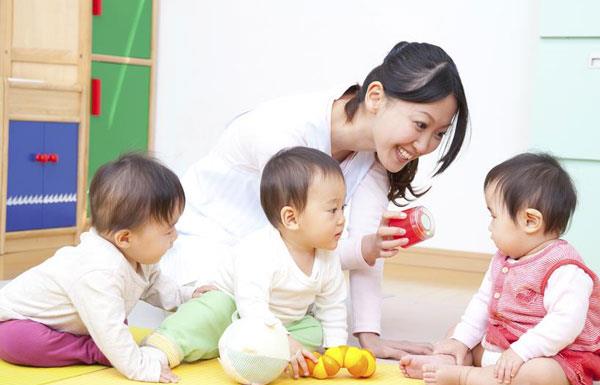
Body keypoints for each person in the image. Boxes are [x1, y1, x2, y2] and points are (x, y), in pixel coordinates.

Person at [161, 41, 469, 359]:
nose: (423, 145)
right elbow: (295, 243)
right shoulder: (283, 132)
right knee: (229, 322)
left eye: (438, 133)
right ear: (376, 97)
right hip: (205, 247)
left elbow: (364, 249)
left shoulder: (375, 158)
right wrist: (364, 249)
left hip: (271, 265)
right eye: (420, 124)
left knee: (308, 332)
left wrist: (369, 335)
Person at [144, 147, 347, 379]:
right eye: (332, 210)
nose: (342, 219)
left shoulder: (328, 258)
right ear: (291, 218)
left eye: (343, 207)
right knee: (207, 313)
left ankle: (252, 351)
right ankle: (159, 349)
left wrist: (336, 351)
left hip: (282, 323)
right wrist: (284, 343)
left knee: (314, 330)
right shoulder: (260, 250)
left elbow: (333, 305)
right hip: (235, 308)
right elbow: (251, 305)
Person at [0, 154, 204, 383]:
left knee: (116, 322)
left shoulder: (137, 256)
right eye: (168, 230)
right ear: (125, 238)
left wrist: (187, 296)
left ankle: (102, 345)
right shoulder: (99, 271)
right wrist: (141, 367)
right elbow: (109, 326)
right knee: (16, 342)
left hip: (79, 323)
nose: (175, 237)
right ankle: (93, 350)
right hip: (19, 320)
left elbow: (156, 285)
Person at [399, 153, 600, 385]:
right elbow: (483, 303)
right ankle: (448, 359)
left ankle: (467, 376)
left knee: (541, 374)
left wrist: (521, 352)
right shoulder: (503, 259)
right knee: (460, 331)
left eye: (494, 216)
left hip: (554, 353)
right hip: (503, 346)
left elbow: (566, 324)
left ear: (530, 221)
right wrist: (460, 341)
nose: (490, 226)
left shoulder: (565, 269)